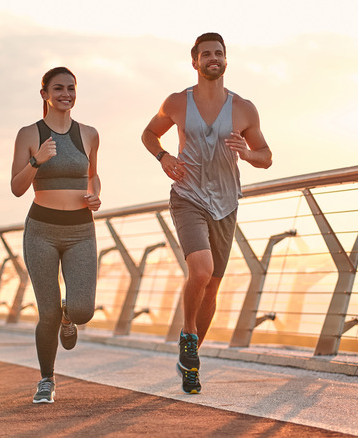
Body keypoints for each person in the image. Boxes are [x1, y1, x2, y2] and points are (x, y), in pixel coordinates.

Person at [142, 32, 273, 394]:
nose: (213, 58)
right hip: (188, 197)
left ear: (225, 60)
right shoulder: (176, 102)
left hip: (226, 204)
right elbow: (149, 134)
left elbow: (266, 156)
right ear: (194, 60)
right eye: (206, 54)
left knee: (212, 286)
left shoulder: (244, 108)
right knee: (201, 269)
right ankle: (188, 334)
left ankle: (190, 362)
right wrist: (164, 156)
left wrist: (247, 153)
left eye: (219, 53)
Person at [10, 66, 102, 404]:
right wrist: (36, 161)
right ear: (45, 94)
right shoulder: (29, 133)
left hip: (80, 231)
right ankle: (46, 379)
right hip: (42, 231)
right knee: (46, 313)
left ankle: (69, 316)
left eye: (71, 88)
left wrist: (95, 196)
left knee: (83, 310)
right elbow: (17, 188)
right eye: (59, 88)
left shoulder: (89, 134)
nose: (66, 94)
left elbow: (93, 176)